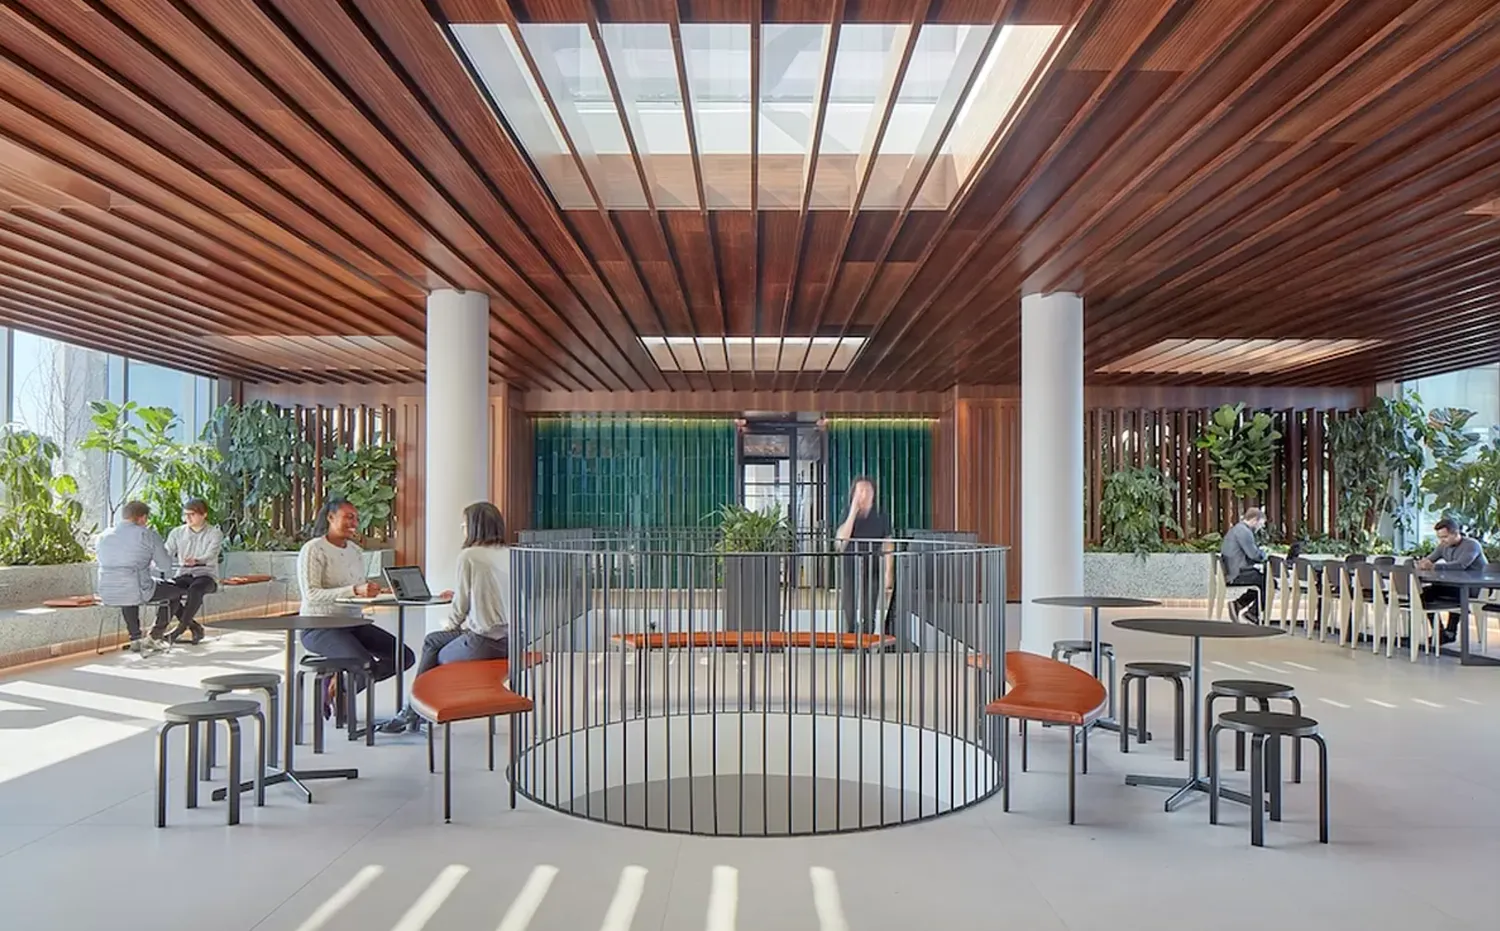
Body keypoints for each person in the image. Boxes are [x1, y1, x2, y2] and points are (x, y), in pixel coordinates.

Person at [382, 502, 509, 734]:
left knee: (436, 650)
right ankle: (414, 711)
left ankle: (415, 709)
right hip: (509, 641)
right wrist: (460, 596)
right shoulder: (509, 553)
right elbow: (493, 594)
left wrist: (451, 627)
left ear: (474, 527)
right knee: (433, 640)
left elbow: (461, 608)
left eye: (464, 524)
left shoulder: (470, 556)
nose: (462, 528)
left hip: (483, 642)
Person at [297, 499, 414, 711]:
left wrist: (377, 591)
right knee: (363, 663)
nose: (354, 522)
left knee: (404, 656)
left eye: (356, 518)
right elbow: (311, 594)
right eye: (348, 517)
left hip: (354, 624)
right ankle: (341, 689)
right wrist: (354, 590)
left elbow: (357, 587)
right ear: (330, 518)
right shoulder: (314, 549)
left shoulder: (355, 551)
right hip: (320, 626)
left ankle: (338, 687)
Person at [95, 501, 186, 654]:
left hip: (107, 592)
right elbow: (165, 566)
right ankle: (154, 637)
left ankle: (135, 638)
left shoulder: (102, 536)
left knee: (128, 592)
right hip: (138, 589)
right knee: (176, 592)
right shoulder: (147, 535)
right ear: (143, 518)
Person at [836, 477, 894, 635]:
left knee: (869, 611)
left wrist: (889, 572)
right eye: (860, 491)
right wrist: (853, 512)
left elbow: (887, 543)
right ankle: (849, 643)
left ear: (873, 494)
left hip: (872, 568)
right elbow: (841, 542)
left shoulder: (881, 516)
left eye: (868, 491)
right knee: (849, 610)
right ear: (853, 494)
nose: (864, 494)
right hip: (849, 567)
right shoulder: (846, 513)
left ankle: (866, 647)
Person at [1415, 517, 1485, 644]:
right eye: (1440, 537)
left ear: (1456, 533)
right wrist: (1423, 563)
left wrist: (1434, 567)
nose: (1442, 540)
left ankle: (1451, 632)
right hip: (1454, 585)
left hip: (1476, 587)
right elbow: (1430, 559)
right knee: (1423, 595)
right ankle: (1440, 632)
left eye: (1445, 537)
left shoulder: (1471, 545)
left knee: (1458, 593)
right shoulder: (1444, 546)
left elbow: (1460, 565)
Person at [163, 498, 223, 645]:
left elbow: (211, 554)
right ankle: (194, 627)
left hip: (206, 575)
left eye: (192, 514)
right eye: (185, 514)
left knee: (195, 589)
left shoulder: (214, 533)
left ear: (204, 515)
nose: (187, 518)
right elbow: (167, 551)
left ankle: (180, 629)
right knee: (169, 590)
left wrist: (197, 560)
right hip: (184, 573)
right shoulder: (177, 532)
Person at [1220, 507, 1268, 623]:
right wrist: (1264, 554)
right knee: (1268, 582)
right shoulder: (1244, 532)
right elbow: (1253, 555)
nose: (1260, 527)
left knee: (1263, 580)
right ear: (1254, 520)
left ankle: (1239, 604)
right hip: (1237, 573)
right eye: (1261, 524)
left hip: (1233, 571)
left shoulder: (1237, 529)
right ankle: (1252, 613)